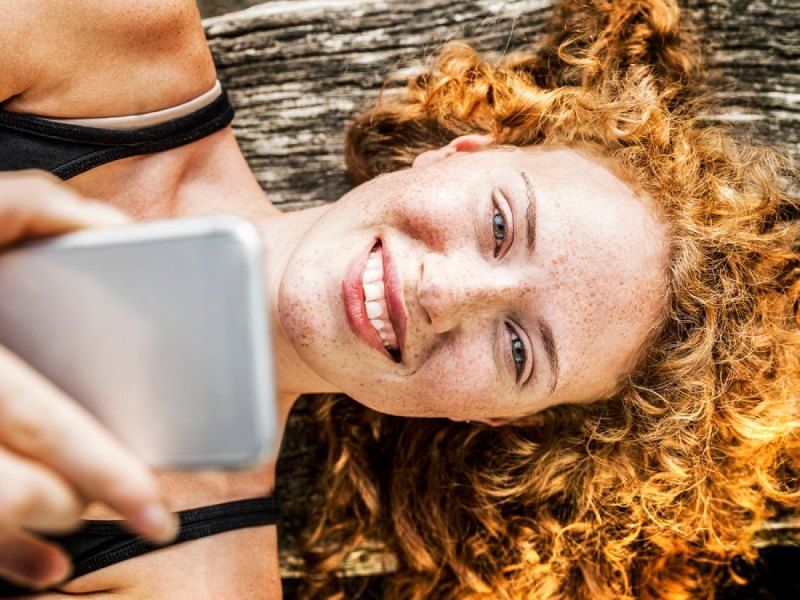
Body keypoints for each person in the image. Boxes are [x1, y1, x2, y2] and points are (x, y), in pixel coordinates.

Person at [0, 0, 796, 599]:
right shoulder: (104, 28)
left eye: (518, 350)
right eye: (498, 222)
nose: (443, 294)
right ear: (454, 154)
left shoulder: (195, 584)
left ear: (492, 416)